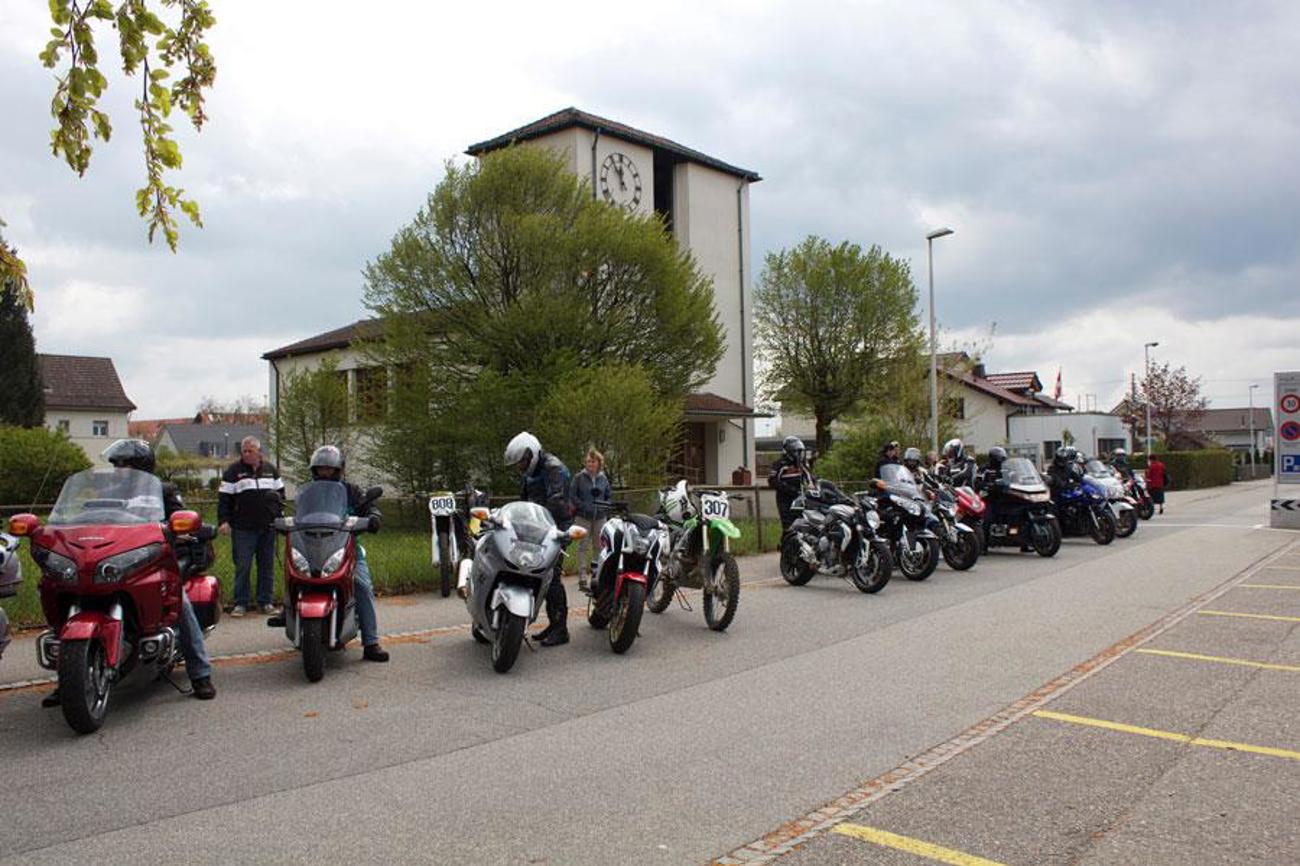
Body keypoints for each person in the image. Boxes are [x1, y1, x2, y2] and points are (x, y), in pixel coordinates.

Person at [46, 439, 216, 706]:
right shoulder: (105, 491)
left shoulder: (162, 489)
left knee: (180, 604)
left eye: (123, 464)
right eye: (116, 464)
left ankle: (200, 674)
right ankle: (68, 682)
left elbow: (179, 517)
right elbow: (86, 516)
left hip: (151, 559)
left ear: (141, 466)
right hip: (110, 557)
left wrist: (184, 529)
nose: (118, 469)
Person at [303, 446, 389, 661]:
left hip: (346, 549)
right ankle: (288, 612)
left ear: (338, 469)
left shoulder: (351, 490)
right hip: (312, 546)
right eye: (321, 469)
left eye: (329, 469)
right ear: (314, 470)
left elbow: (369, 507)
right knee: (295, 574)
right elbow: (298, 515)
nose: (325, 473)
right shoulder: (307, 492)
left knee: (362, 586)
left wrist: (373, 517)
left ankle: (371, 642)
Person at [505, 431, 572, 647]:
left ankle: (561, 629)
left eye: (522, 462)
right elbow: (523, 501)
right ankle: (551, 624)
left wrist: (539, 523)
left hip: (556, 529)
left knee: (551, 577)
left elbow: (557, 501)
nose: (521, 467)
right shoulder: (530, 474)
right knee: (530, 572)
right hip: (538, 528)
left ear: (531, 454)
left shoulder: (554, 468)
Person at [218, 436, 284, 617]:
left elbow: (280, 496)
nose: (246, 454)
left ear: (259, 452)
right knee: (243, 566)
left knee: (266, 566)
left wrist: (278, 517)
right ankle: (241, 603)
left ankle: (266, 602)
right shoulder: (233, 471)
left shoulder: (271, 470)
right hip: (243, 529)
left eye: (250, 451)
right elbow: (224, 499)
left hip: (267, 527)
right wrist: (224, 521)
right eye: (244, 451)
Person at [569, 447, 612, 592]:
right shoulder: (579, 478)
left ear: (598, 463)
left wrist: (605, 507)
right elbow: (572, 496)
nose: (590, 464)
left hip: (599, 517)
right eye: (588, 461)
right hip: (583, 517)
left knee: (599, 547)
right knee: (582, 546)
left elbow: (608, 495)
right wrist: (583, 506)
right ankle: (582, 577)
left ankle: (596, 575)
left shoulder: (603, 478)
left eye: (593, 462)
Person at [768, 436, 814, 532]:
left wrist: (814, 486)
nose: (799, 454)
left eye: (800, 451)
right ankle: (786, 545)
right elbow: (773, 481)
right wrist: (791, 490)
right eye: (796, 451)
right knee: (789, 526)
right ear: (789, 452)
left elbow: (811, 478)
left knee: (805, 523)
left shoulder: (803, 465)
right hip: (785, 500)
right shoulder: (780, 464)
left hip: (801, 499)